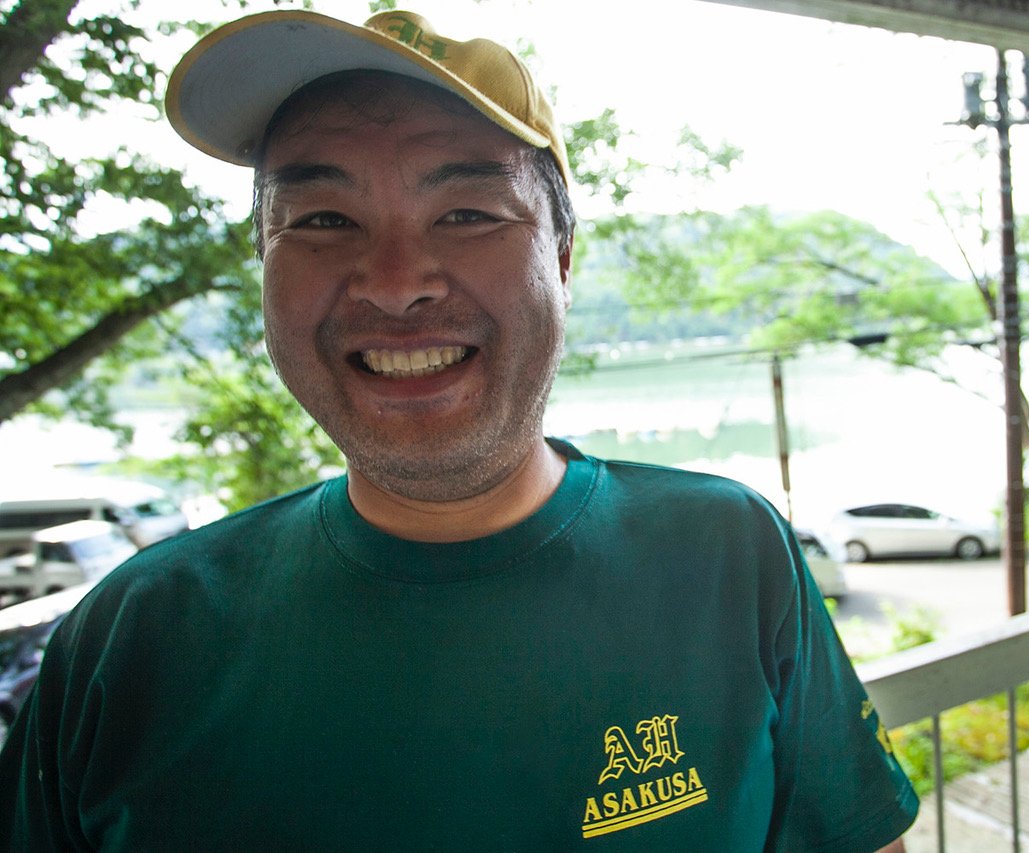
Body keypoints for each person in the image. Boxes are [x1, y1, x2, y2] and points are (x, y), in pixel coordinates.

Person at [0, 9, 918, 850]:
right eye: (324, 218)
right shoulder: (130, 639)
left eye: (468, 213)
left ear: (562, 260)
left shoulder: (728, 553)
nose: (396, 281)